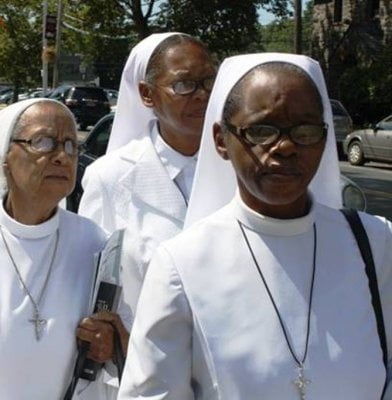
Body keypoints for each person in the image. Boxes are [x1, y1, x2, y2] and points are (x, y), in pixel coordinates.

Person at [118, 53, 392, 399]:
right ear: (221, 140)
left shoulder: (377, 242)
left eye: (305, 130)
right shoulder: (181, 264)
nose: (286, 147)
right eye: (262, 130)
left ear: (324, 140)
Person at [0, 98, 127, 399]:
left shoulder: (96, 243)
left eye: (71, 145)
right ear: (4, 156)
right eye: (44, 142)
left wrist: (112, 342)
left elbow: (126, 348)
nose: (62, 156)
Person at [78, 33, 215, 329]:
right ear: (147, 94)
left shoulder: (240, 168)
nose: (202, 94)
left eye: (208, 81)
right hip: (140, 361)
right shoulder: (110, 177)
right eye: (184, 84)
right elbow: (94, 286)